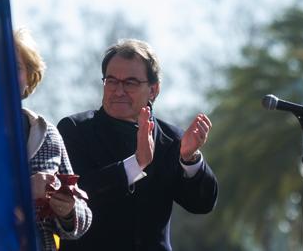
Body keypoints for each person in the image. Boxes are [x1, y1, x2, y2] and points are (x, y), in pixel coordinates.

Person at [57, 38, 218, 251]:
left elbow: (202, 204)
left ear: (153, 90)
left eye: (130, 82)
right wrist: (136, 164)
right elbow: (78, 193)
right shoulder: (75, 130)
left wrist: (190, 158)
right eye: (112, 81)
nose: (119, 90)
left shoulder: (171, 140)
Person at [14, 28, 92, 251]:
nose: (5, 71)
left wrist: (68, 211)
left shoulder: (46, 133)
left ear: (29, 78)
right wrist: (25, 192)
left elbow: (83, 217)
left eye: (16, 67)